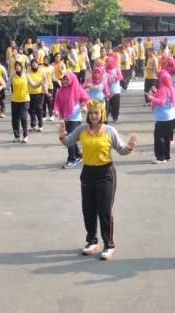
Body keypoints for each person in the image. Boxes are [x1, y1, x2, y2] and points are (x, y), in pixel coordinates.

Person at [59, 99, 138, 260]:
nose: (94, 116)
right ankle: (92, 241)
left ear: (102, 114)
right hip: (87, 173)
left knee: (104, 210)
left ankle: (109, 245)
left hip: (105, 174)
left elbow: (121, 150)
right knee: (88, 210)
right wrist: (62, 134)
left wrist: (130, 146)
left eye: (97, 113)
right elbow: (68, 142)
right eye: (91, 113)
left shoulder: (109, 130)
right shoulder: (82, 129)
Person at [54, 72, 90, 169]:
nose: (65, 81)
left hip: (75, 117)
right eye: (64, 79)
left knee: (69, 137)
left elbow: (87, 99)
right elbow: (57, 102)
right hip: (66, 117)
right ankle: (78, 154)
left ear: (72, 80)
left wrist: (84, 106)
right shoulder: (61, 90)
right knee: (71, 137)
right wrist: (56, 110)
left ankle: (71, 159)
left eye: (67, 79)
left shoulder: (77, 89)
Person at [148, 70, 175, 164]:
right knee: (166, 137)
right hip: (170, 116)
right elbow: (163, 98)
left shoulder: (163, 89)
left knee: (159, 137)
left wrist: (151, 98)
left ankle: (160, 158)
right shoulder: (170, 88)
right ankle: (167, 156)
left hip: (163, 117)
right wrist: (156, 93)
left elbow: (161, 102)